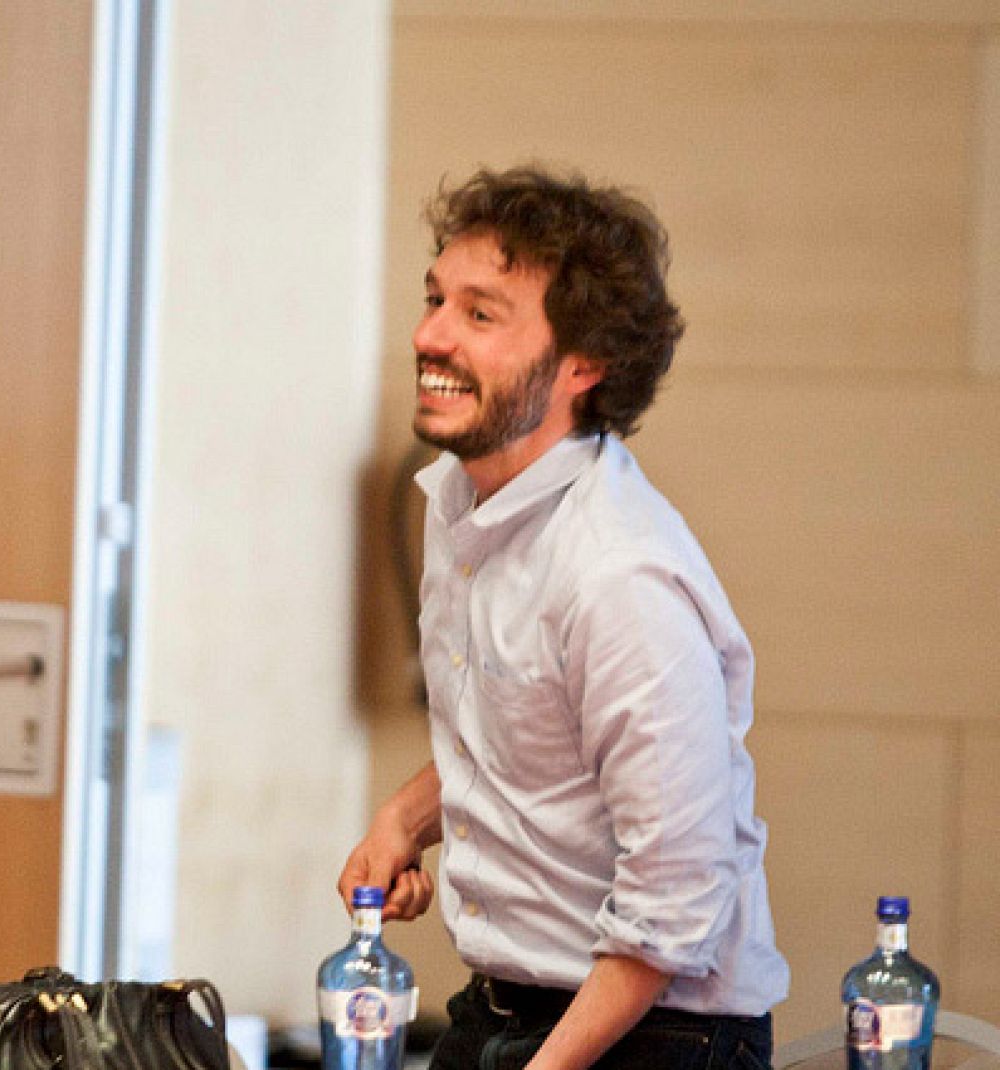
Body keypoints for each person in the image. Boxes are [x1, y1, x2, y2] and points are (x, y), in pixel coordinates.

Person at [338, 165, 789, 1070]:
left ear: (582, 364)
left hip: (656, 1034)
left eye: (480, 314)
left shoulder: (620, 576)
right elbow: (526, 727)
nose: (428, 335)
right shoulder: (462, 507)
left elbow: (675, 901)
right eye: (435, 300)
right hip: (502, 1010)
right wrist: (401, 818)